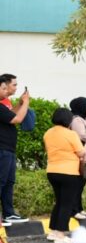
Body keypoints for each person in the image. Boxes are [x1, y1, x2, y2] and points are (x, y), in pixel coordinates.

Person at [43, 108, 86, 243]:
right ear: (68, 120)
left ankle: (53, 232)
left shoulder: (48, 133)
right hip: (68, 172)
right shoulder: (71, 134)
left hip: (52, 171)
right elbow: (82, 153)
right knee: (66, 204)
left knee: (59, 201)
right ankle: (60, 234)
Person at [0, 75, 30, 225]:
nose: (7, 91)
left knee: (9, 181)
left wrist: (20, 103)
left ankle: (8, 213)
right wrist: (25, 103)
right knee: (1, 181)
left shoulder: (3, 105)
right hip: (2, 149)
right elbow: (17, 119)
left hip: (8, 149)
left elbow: (12, 114)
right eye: (3, 88)